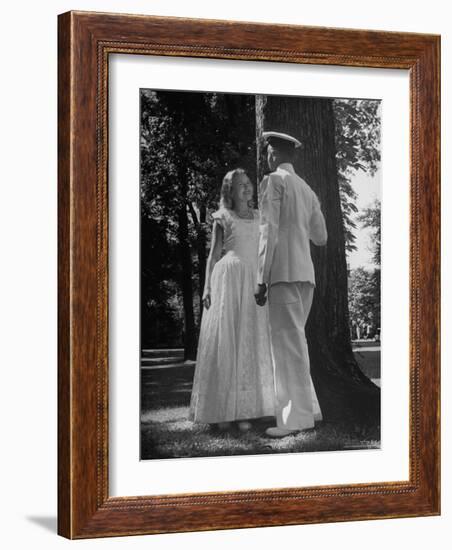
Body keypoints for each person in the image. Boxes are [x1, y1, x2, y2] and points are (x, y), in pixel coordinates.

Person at [189, 168, 275, 431]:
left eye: (248, 183)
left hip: (253, 281)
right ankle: (223, 410)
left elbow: (265, 252)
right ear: (230, 191)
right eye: (240, 185)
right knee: (228, 341)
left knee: (251, 339)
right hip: (228, 279)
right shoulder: (222, 217)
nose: (247, 188)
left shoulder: (261, 217)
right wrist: (206, 288)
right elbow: (213, 255)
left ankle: (250, 409)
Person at [255, 131, 328, 438]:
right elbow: (321, 238)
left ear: (273, 155)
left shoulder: (274, 181)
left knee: (287, 349)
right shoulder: (308, 190)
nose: (267, 157)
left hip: (283, 274)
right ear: (293, 155)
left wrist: (260, 277)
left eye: (269, 152)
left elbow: (267, 231)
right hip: (305, 276)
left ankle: (294, 420)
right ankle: (308, 411)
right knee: (296, 345)